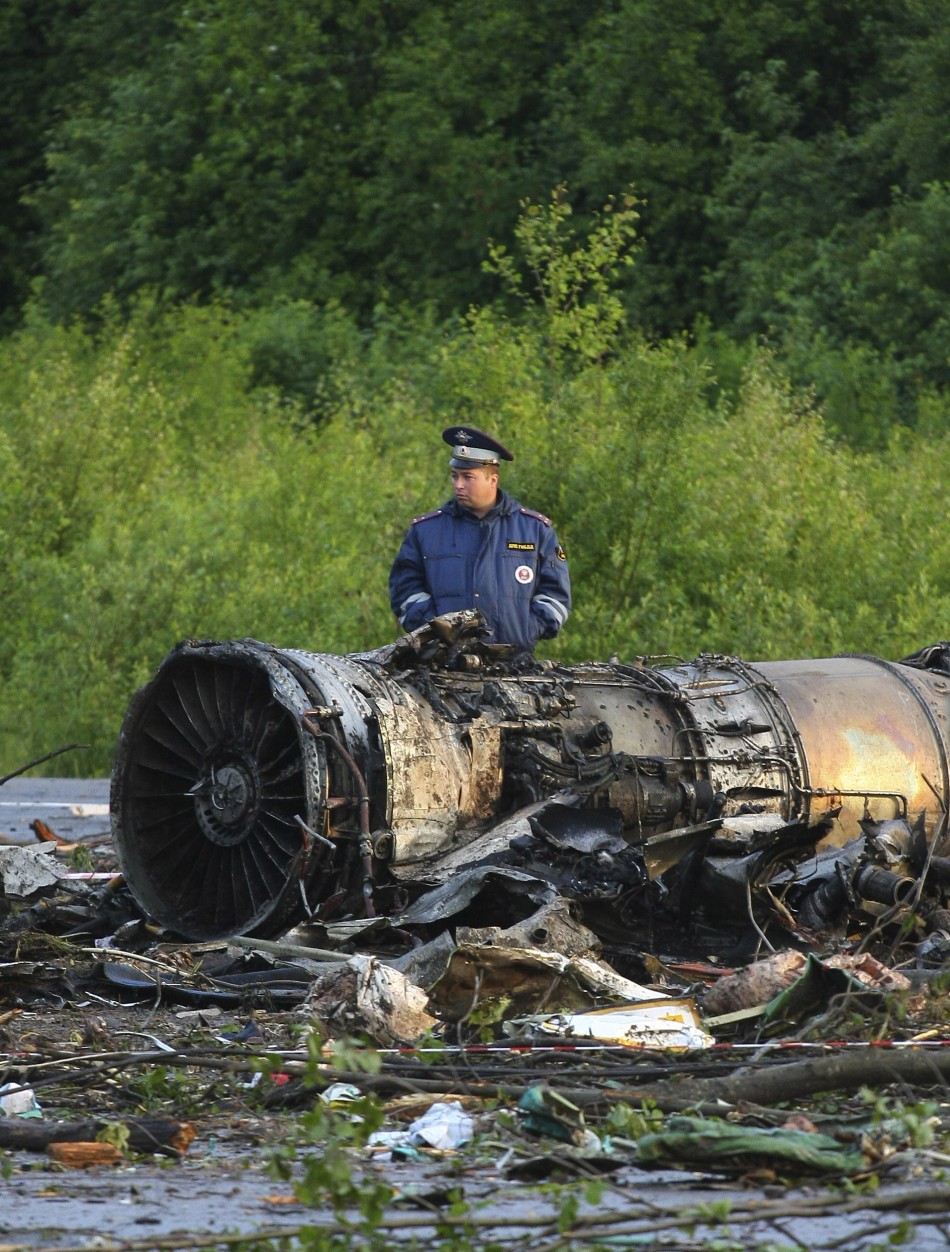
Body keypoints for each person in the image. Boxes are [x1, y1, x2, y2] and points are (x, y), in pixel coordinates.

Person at [389, 426, 571, 651]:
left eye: (468, 477)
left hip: (515, 666)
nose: (458, 485)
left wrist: (527, 630)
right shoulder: (426, 531)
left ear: (492, 480)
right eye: (455, 476)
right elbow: (404, 589)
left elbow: (556, 595)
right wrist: (434, 628)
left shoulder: (535, 530)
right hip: (441, 665)